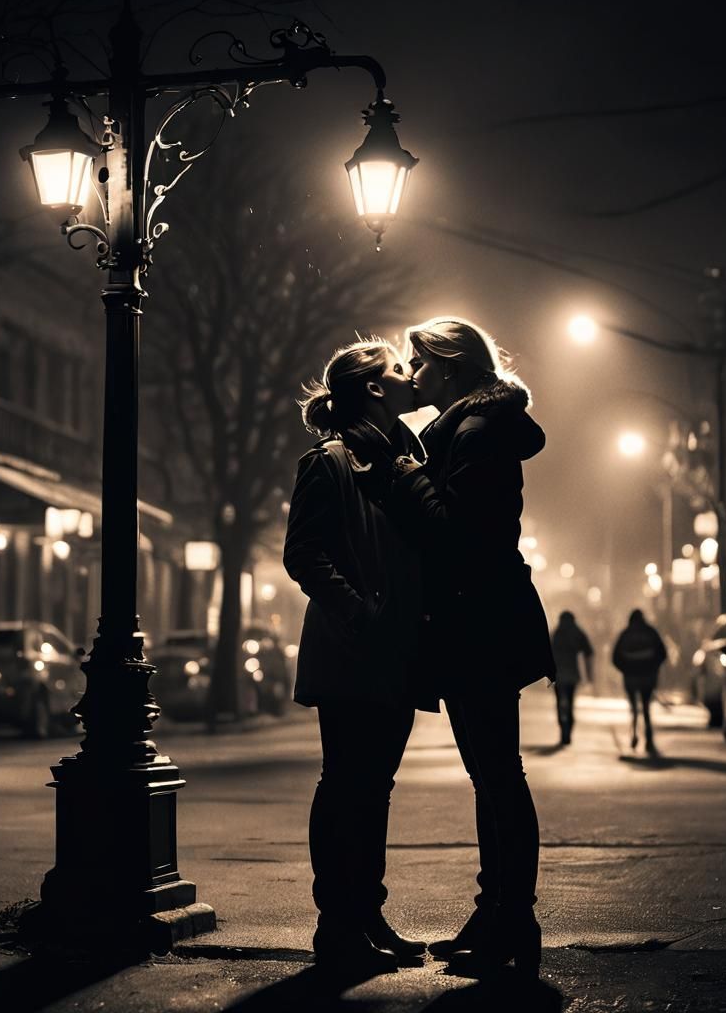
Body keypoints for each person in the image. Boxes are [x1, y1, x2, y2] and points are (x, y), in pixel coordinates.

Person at [386, 316, 555, 978]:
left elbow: (456, 534)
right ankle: (500, 912)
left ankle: (512, 917)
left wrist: (406, 475)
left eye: (420, 363)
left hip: (479, 623)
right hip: (480, 620)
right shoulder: (471, 429)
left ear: (450, 368)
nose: (412, 374)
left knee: (499, 777)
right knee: (494, 776)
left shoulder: (476, 434)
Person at [282, 338, 437, 974]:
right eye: (398, 369)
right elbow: (304, 554)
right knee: (346, 784)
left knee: (373, 789)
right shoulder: (331, 462)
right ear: (374, 389)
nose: (409, 376)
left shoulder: (401, 457)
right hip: (353, 650)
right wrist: (361, 614)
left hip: (394, 648)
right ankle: (337, 926)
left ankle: (365, 916)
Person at [611, 609, 667, 756]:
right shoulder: (651, 632)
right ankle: (649, 739)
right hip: (648, 677)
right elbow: (662, 653)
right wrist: (653, 667)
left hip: (631, 677)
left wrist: (625, 668)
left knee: (634, 709)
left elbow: (615, 657)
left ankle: (634, 735)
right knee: (647, 708)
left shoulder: (626, 634)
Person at [551, 611, 595, 745]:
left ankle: (562, 727)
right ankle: (568, 731)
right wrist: (589, 675)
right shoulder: (577, 632)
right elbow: (589, 652)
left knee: (559, 702)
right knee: (570, 703)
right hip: (572, 675)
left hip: (557, 675)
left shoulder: (556, 632)